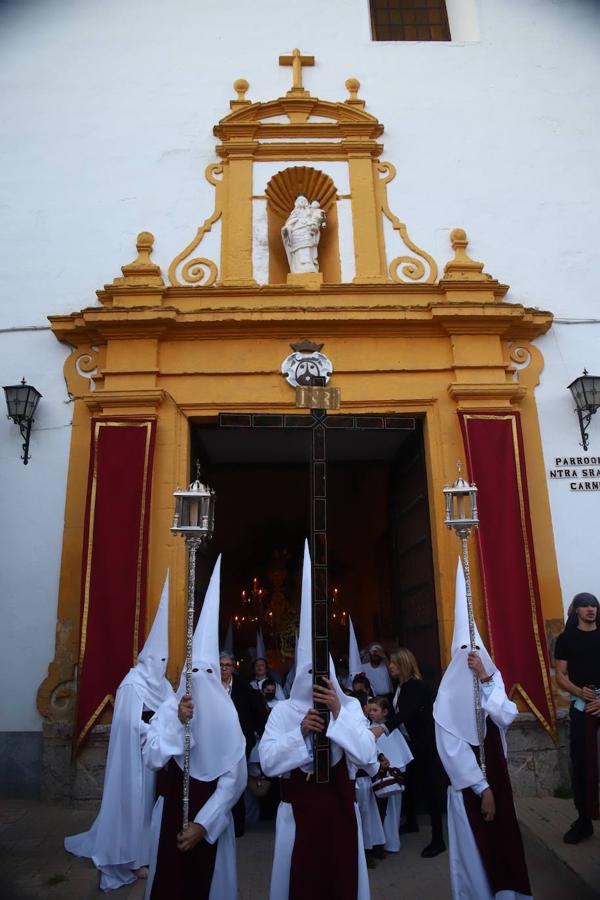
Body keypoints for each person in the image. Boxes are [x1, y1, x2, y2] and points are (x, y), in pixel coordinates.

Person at [259, 541, 379, 900]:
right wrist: (300, 732)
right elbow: (267, 762)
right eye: (309, 673)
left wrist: (339, 715)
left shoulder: (351, 709)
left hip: (340, 809)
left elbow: (368, 759)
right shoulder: (282, 712)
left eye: (320, 673)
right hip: (297, 814)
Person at [142, 557, 246, 900]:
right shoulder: (170, 708)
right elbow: (153, 756)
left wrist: (204, 824)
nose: (200, 682)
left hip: (210, 826)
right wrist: (177, 722)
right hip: (170, 815)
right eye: (193, 673)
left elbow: (234, 779)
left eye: (207, 674)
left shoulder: (228, 719)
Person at [65, 573, 172, 891]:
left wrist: (164, 728)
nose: (162, 665)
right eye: (158, 658)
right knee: (136, 805)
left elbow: (170, 713)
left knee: (154, 805)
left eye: (166, 659)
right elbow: (125, 723)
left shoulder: (164, 685)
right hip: (135, 758)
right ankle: (131, 856)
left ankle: (150, 850)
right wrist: (148, 726)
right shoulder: (132, 683)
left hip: (156, 757)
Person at [433, 559, 532, 900]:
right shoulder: (445, 697)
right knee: (477, 851)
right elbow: (452, 750)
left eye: (473, 652)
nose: (468, 658)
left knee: (503, 840)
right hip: (470, 785)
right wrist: (481, 787)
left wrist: (487, 678)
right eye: (462, 652)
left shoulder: (492, 677)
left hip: (498, 772)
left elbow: (505, 716)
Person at [388, 647, 446, 858]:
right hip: (410, 744)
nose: (390, 666)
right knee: (409, 783)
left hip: (426, 745)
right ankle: (411, 821)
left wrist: (382, 728)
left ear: (403, 664)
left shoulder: (416, 686)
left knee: (432, 789)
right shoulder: (401, 686)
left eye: (393, 663)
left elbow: (405, 713)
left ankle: (438, 839)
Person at [554, 591, 600, 844]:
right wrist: (579, 691)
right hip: (582, 706)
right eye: (585, 606)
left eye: (594, 605)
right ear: (576, 610)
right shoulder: (565, 639)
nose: (590, 609)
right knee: (581, 763)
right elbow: (560, 675)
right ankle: (583, 821)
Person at [219, 650, 268, 837]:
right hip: (216, 743)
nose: (224, 669)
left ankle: (237, 824)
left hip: (240, 742)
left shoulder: (245, 689)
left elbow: (259, 716)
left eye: (227, 665)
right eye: (221, 665)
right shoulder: (210, 686)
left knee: (236, 780)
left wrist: (258, 736)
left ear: (233, 667)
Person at [366, 696, 413, 854]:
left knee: (393, 811)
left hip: (394, 776)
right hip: (378, 776)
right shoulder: (367, 728)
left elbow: (401, 754)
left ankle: (392, 843)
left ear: (385, 712)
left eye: (375, 710)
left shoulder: (391, 730)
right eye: (370, 710)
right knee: (379, 811)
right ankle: (380, 842)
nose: (371, 713)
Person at [281, 194, 325, 274]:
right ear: (296, 203)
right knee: (298, 251)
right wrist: (287, 230)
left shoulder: (310, 211)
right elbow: (289, 224)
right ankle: (298, 269)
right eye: (299, 201)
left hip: (307, 233)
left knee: (307, 249)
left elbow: (317, 221)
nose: (301, 202)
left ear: (306, 202)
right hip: (296, 234)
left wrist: (315, 226)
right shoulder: (294, 213)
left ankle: (309, 267)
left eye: (303, 201)